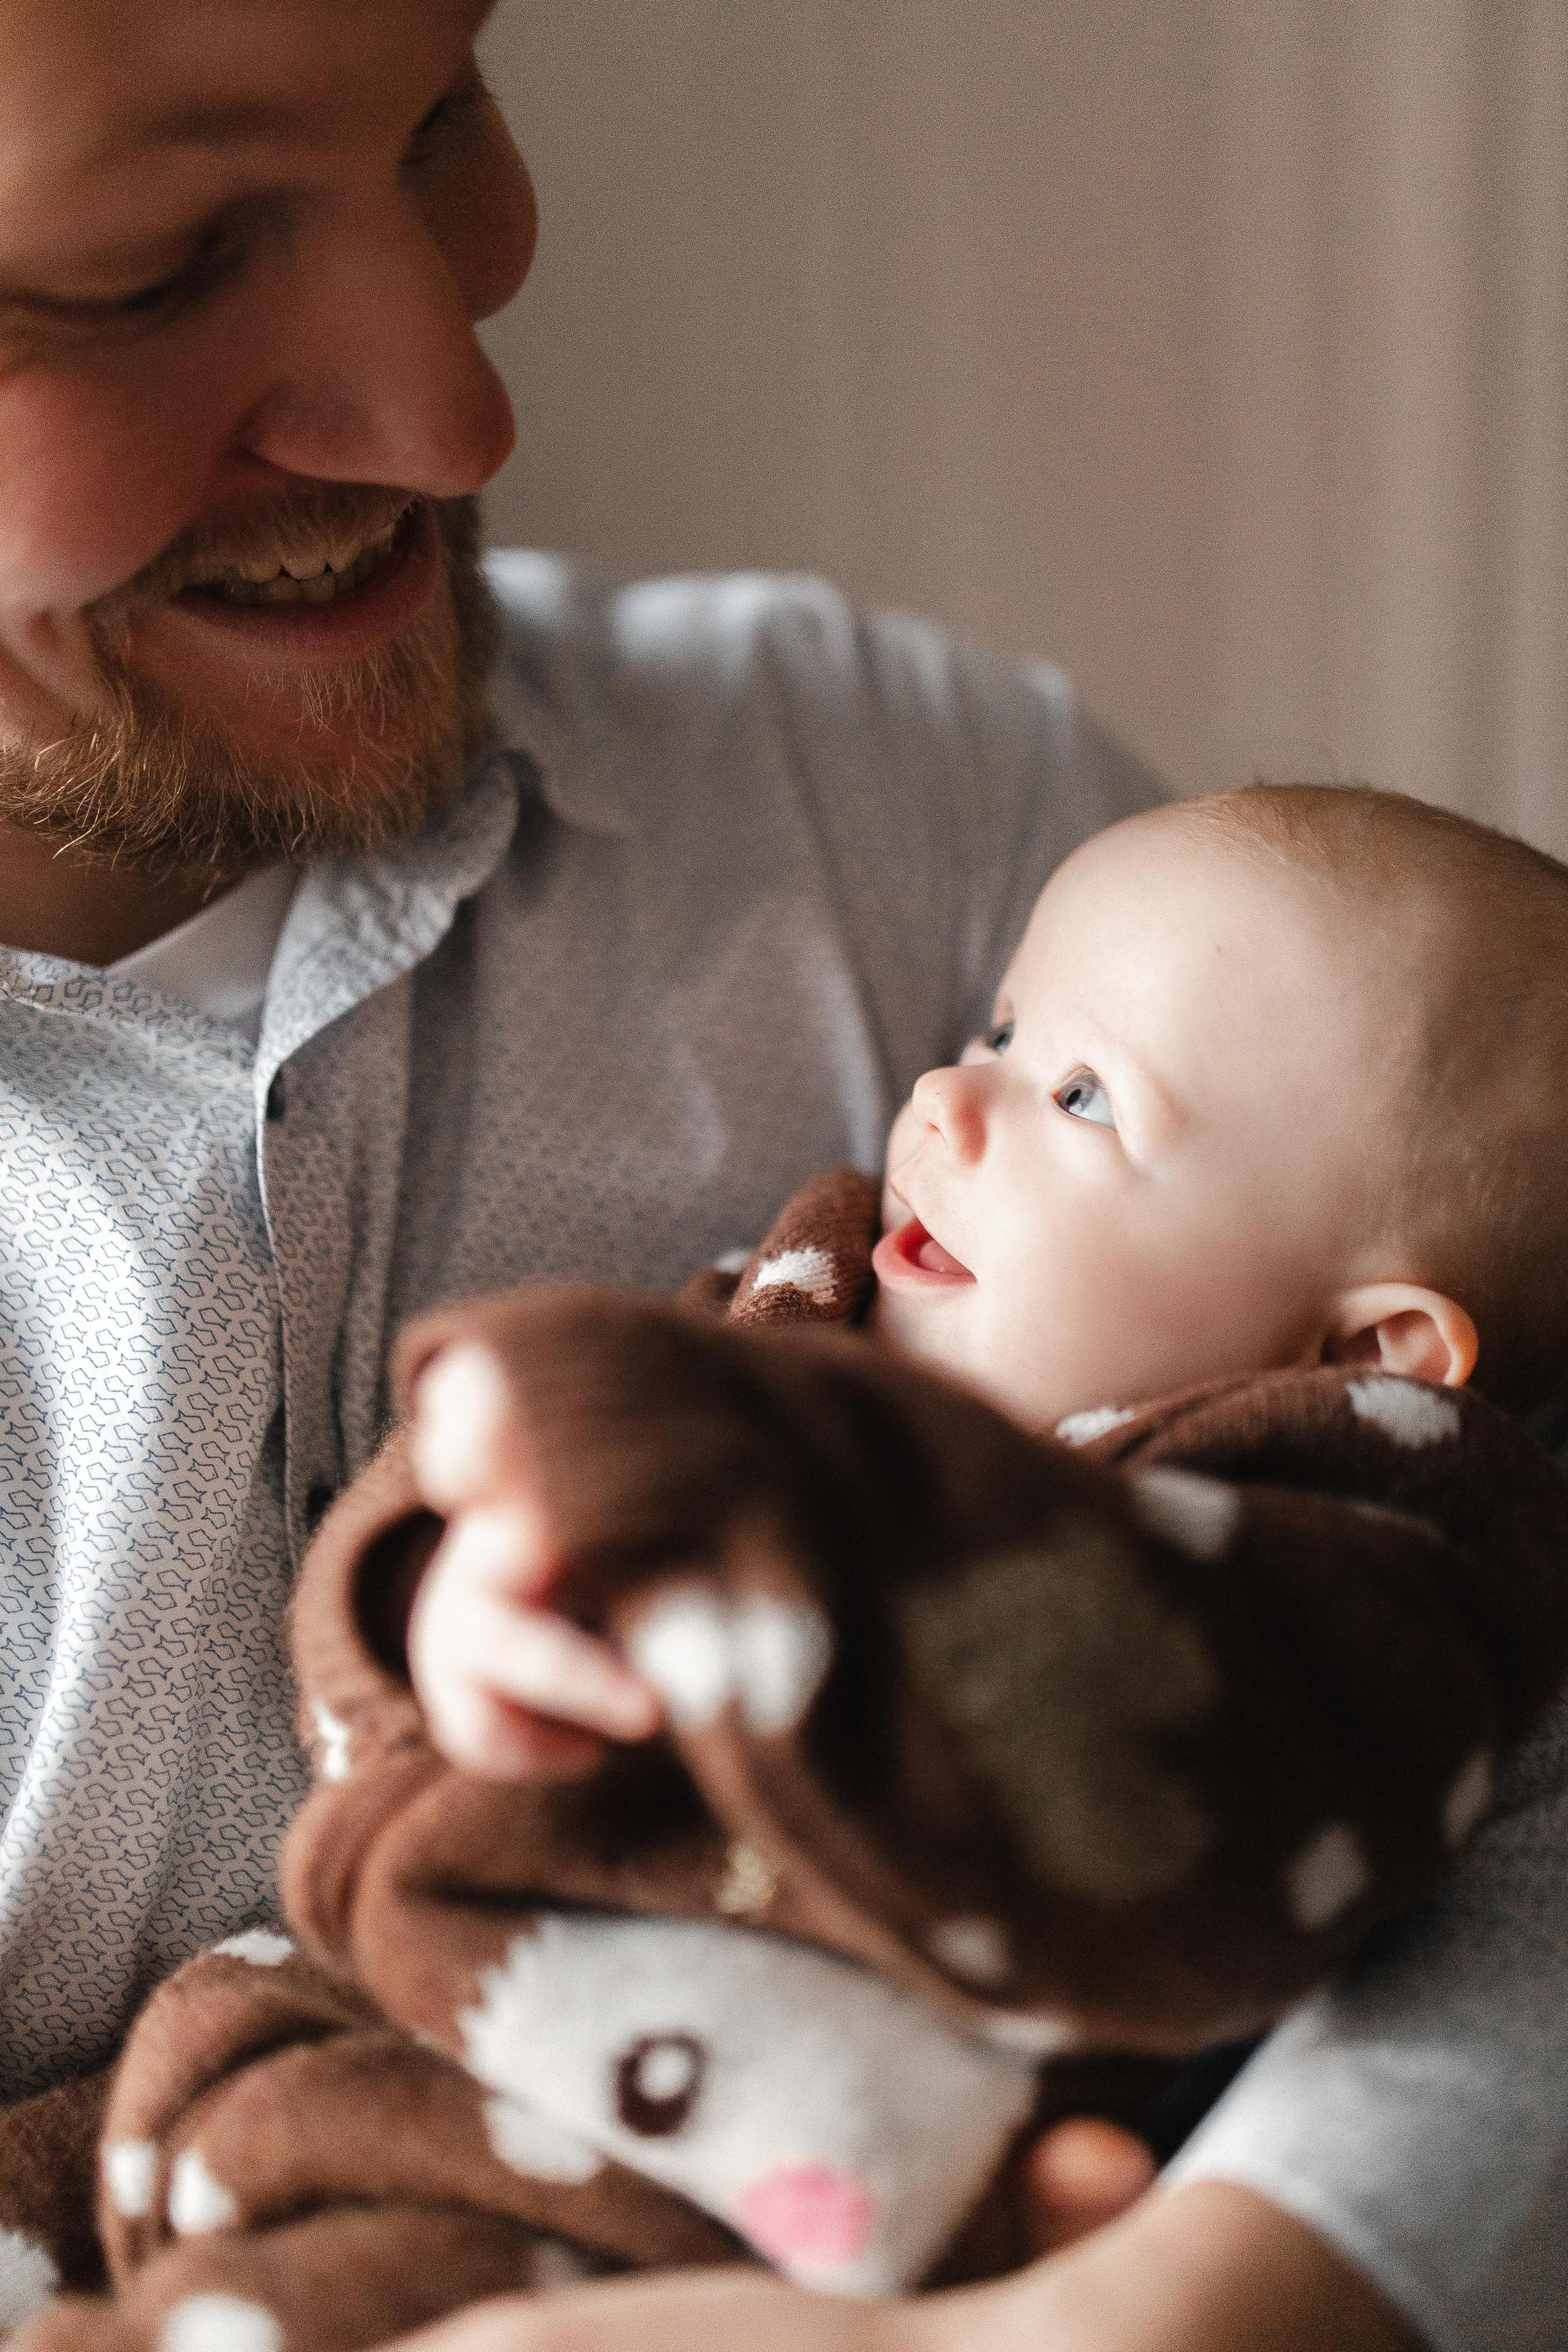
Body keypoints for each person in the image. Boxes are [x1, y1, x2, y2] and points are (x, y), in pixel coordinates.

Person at [0, 2, 1557, 2347]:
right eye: (156, 265)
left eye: (448, 119)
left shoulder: (902, 805)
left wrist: (1225, 2293)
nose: (458, 409)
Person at [18, 784, 1567, 2352]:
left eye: (1085, 1098)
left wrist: (761, 1498)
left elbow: (1139, 1785)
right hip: (303, 2012)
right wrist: (443, 1580)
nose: (945, 1102)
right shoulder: (801, 1306)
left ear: (1370, 1351)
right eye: (1000, 1030)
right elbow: (478, 1495)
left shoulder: (1339, 1562)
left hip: (658, 2184)